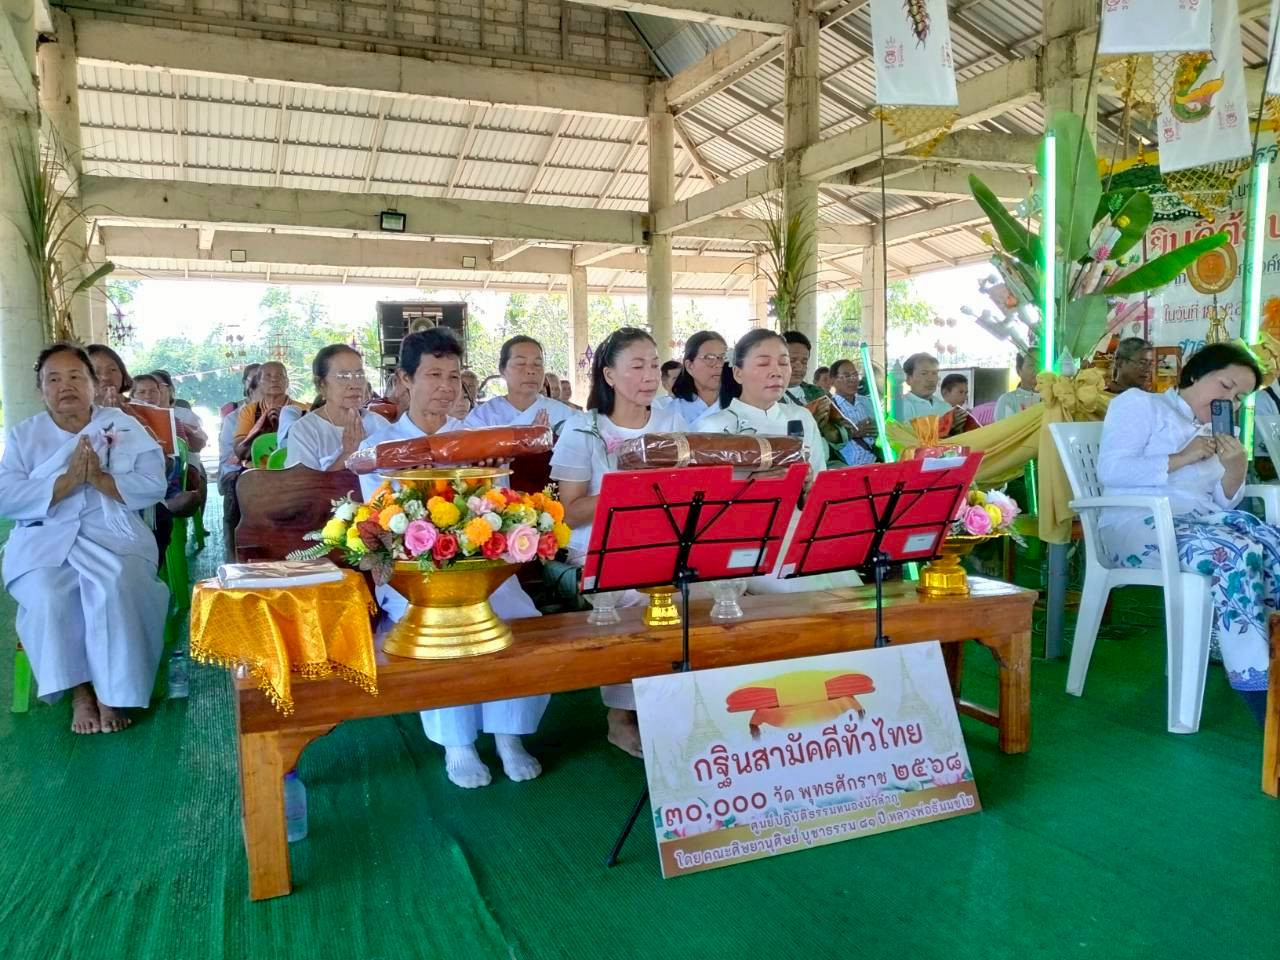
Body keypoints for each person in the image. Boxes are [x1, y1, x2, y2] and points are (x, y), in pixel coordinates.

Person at [358, 328, 547, 788]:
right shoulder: (383, 448)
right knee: (438, 625)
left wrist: (487, 489)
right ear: (404, 379)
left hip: (481, 568)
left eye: (454, 376)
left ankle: (508, 733)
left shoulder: (479, 443)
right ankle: (457, 742)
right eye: (434, 375)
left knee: (520, 616)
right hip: (415, 575)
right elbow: (382, 526)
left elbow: (502, 512)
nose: (446, 386)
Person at [1097, 342, 1274, 726]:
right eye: (1225, 385)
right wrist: (1185, 456)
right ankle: (1259, 690)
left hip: (1199, 529)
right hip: (1137, 526)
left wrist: (1235, 469)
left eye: (1239, 396)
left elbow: (1222, 504)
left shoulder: (1216, 432)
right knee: (1234, 552)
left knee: (1270, 545)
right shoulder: (1141, 405)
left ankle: (1263, 653)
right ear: (1195, 373)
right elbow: (1112, 470)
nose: (1229, 398)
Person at [0, 344, 168, 734]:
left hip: (111, 534)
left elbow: (153, 484)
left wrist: (102, 480)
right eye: (53, 379)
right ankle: (81, 693)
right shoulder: (24, 436)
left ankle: (114, 692)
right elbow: (6, 498)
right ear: (41, 389)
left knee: (117, 585)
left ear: (94, 384)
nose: (65, 386)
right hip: (44, 539)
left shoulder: (122, 426)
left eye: (76, 376)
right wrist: (67, 482)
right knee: (49, 593)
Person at [550, 327, 688, 758]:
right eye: (637, 366)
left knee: (716, 589)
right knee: (637, 597)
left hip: (664, 540)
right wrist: (624, 486)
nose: (650, 375)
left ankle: (678, 703)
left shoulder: (670, 421)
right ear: (609, 375)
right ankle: (621, 717)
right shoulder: (583, 430)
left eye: (653, 364)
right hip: (598, 547)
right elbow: (568, 514)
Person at [699, 330, 861, 592]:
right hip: (746, 538)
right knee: (804, 590)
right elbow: (705, 509)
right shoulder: (714, 427)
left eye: (783, 363)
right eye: (763, 363)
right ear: (738, 373)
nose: (776, 372)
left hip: (800, 529)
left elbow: (819, 494)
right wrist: (752, 486)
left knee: (853, 588)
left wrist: (808, 487)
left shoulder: (801, 418)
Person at [284, 345, 384, 471]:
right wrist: (348, 454)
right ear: (321, 385)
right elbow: (303, 487)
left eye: (359, 376)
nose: (354, 385)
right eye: (343, 377)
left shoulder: (379, 423)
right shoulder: (304, 430)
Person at [463, 335, 575, 433]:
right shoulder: (483, 416)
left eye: (537, 364)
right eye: (521, 363)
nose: (531, 370)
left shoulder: (564, 415)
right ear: (502, 370)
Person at [781, 330, 852, 465]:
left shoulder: (815, 392)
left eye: (804, 361)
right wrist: (809, 422)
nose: (799, 366)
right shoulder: (769, 397)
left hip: (829, 463)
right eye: (792, 360)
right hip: (792, 466)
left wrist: (825, 427)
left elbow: (846, 432)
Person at [233, 361, 305, 465]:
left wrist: (287, 424)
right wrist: (261, 429)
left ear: (287, 382)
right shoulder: (249, 411)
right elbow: (240, 451)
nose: (274, 379)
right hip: (259, 472)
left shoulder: (303, 410)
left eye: (280, 375)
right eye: (268, 376)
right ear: (259, 382)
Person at [666, 331, 726, 427]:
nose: (719, 365)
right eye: (709, 358)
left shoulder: (737, 406)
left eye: (723, 357)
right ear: (689, 366)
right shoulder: (673, 411)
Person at [828, 358, 878, 466]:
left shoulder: (868, 403)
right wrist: (853, 433)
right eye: (846, 376)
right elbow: (830, 442)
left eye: (855, 375)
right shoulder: (829, 408)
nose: (853, 379)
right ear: (833, 380)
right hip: (847, 469)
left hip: (875, 463)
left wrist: (876, 428)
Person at [149, 369, 208, 452]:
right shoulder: (141, 415)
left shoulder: (184, 414)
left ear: (169, 389)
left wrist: (182, 427)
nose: (153, 390)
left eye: (158, 385)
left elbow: (201, 443)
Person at [995, 351, 1042, 421]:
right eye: (1032, 365)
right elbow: (1005, 430)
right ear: (1019, 370)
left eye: (1041, 365)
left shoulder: (1052, 399)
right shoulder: (1008, 400)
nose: (1038, 369)